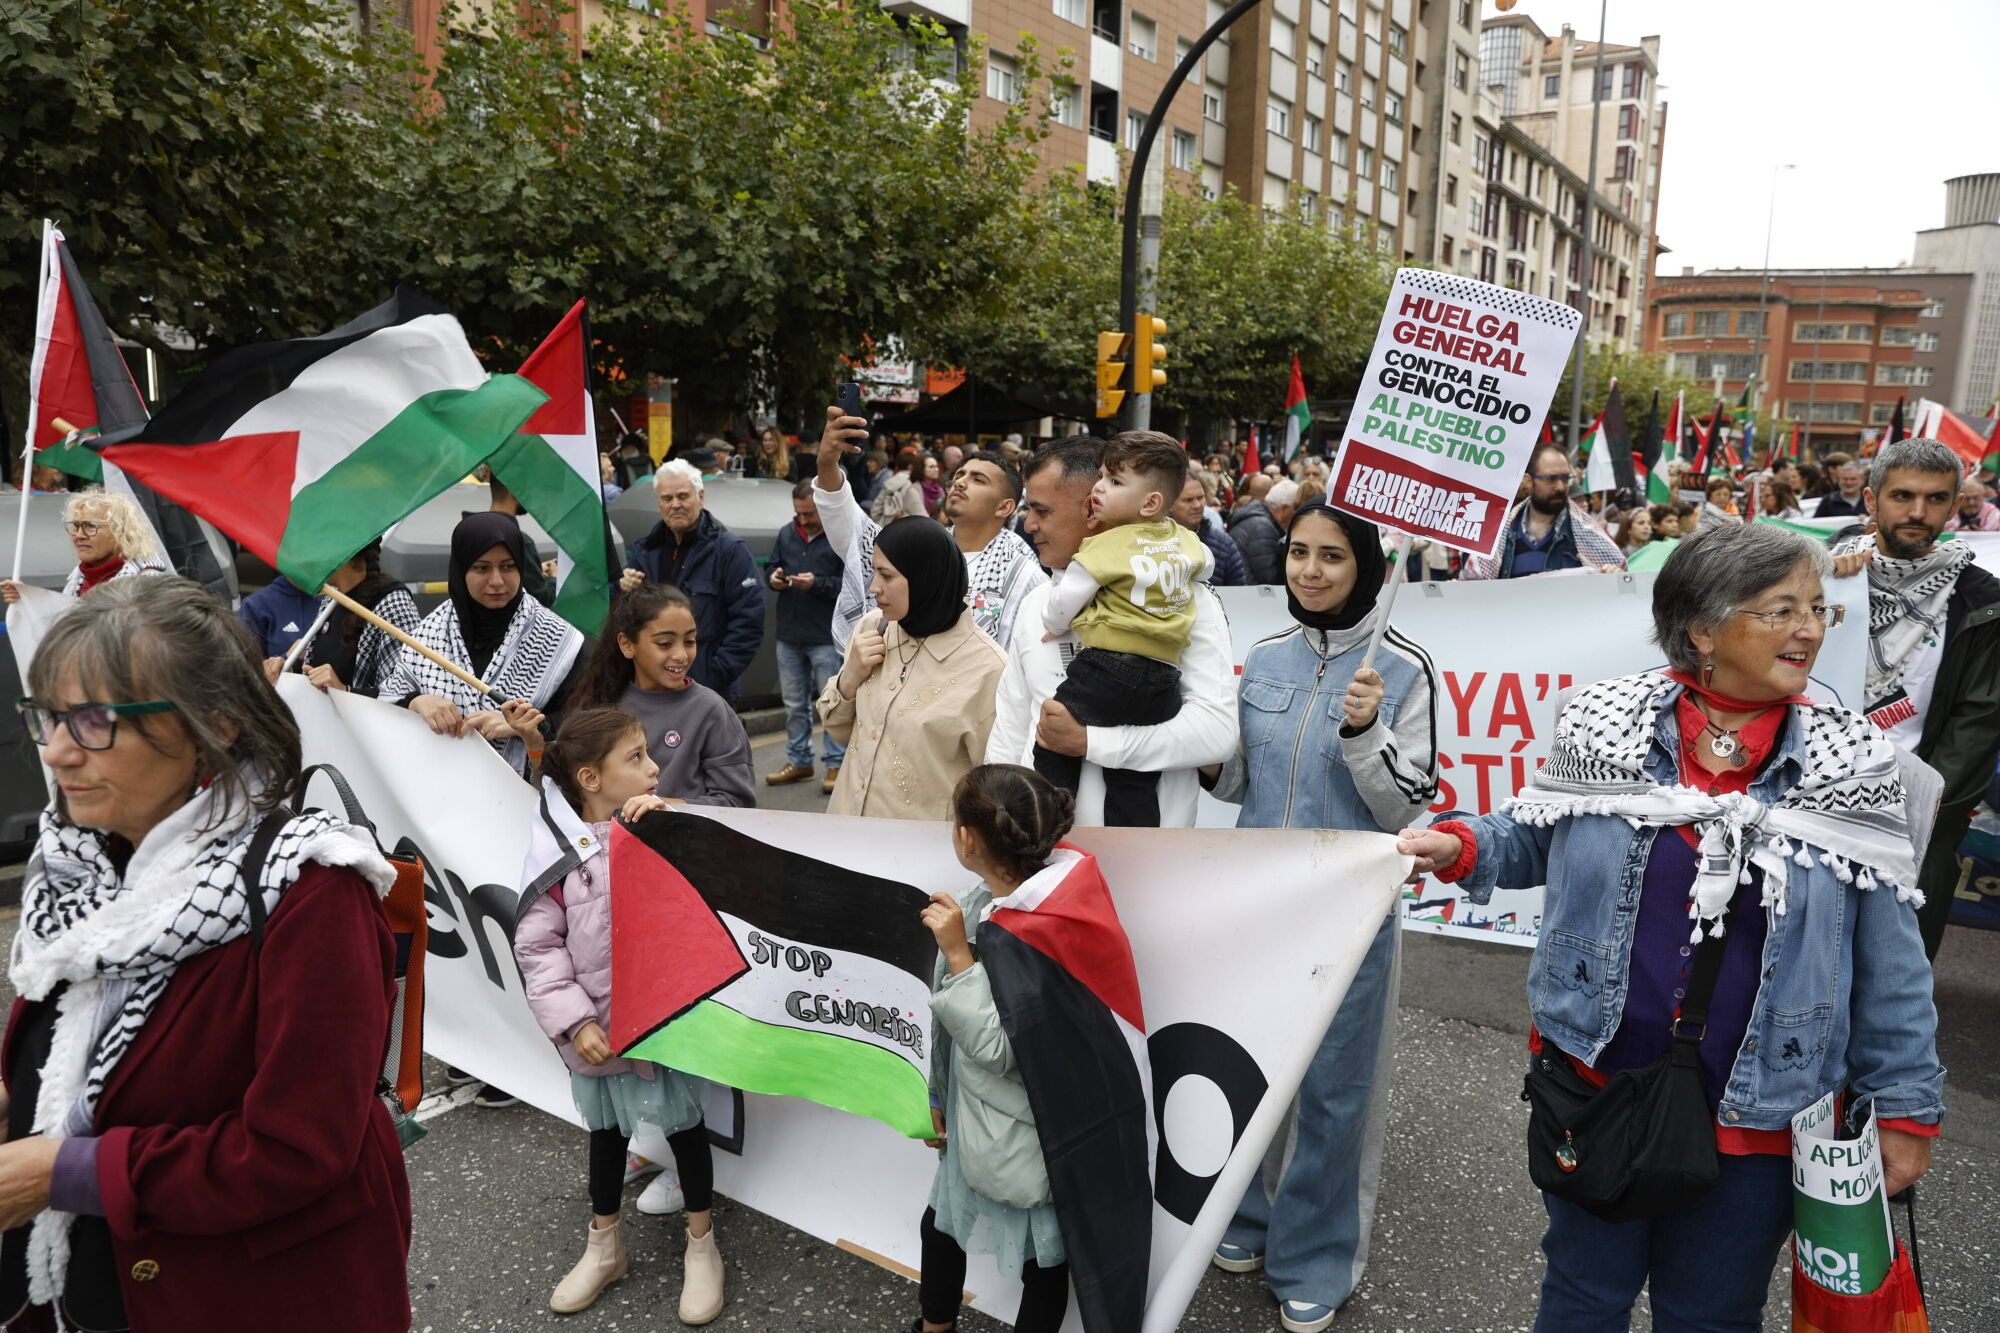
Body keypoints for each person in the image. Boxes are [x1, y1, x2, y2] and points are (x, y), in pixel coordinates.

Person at [1398, 522, 1942, 1332]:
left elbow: (1891, 962)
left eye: (1818, 609)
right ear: (1703, 629)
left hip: (1759, 1115)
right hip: (1595, 1087)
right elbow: (1535, 830)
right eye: (1781, 609)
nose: (1809, 629)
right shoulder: (1602, 724)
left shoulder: (1854, 764)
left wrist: (1904, 1108)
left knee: (1712, 1313)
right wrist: (1461, 842)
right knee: (1583, 1297)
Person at [4, 577, 411, 1331]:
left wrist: (65, 1171)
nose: (58, 751)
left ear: (213, 724)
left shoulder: (310, 889)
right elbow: (72, 1056)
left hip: (254, 1296)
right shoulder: (71, 864)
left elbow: (297, 1147)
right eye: (50, 716)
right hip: (84, 1288)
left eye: (94, 721)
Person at [1203, 504, 1437, 1333]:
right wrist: (1197, 733)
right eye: (1300, 552)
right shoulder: (1264, 657)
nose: (1309, 570)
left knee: (1335, 1091)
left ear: (1366, 565)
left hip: (1350, 910)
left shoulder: (1404, 670)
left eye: (1332, 556)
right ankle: (1246, 1219)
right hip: (1255, 903)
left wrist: (1367, 728)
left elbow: (1407, 805)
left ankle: (1315, 1256)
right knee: (1246, 1069)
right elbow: (1231, 784)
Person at [516, 707, 725, 1322]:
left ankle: (702, 1246)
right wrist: (577, 1021)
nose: (654, 767)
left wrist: (673, 832)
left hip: (666, 1022)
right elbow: (538, 946)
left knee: (687, 1133)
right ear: (589, 778)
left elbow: (703, 907)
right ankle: (604, 1246)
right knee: (605, 1137)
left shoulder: (660, 824)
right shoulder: (554, 851)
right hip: (600, 1031)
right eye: (634, 758)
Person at [911, 765, 1091, 1333]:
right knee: (943, 1229)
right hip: (978, 1116)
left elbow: (998, 1047)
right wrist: (937, 1092)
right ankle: (935, 1327)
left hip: (1022, 1129)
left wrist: (958, 956)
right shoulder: (1046, 904)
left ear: (966, 839)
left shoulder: (1031, 929)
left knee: (1040, 1258)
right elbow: (952, 1035)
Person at [988, 437, 1238, 827]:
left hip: (1146, 866)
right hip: (1042, 862)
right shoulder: (1039, 602)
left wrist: (1091, 743)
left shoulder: (1182, 598)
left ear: (1093, 508)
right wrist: (998, 829)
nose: (1028, 523)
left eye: (1042, 510)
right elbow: (1011, 729)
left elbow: (1216, 734)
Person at [1830, 437, 2000, 958]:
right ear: (1872, 500)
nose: (1917, 513)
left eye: (1935, 499)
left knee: (1890, 979)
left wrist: (1929, 805)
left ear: (1954, 506)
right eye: (1903, 496)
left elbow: (1980, 718)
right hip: (1810, 801)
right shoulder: (1820, 577)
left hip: (1913, 821)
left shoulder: (1982, 600)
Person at [1036, 434, 1211, 827]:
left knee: (1051, 739)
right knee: (1133, 777)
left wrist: (1052, 624)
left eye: (1114, 482)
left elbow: (1065, 601)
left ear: (1150, 502)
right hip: (1164, 678)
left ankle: (1048, 820)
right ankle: (1135, 836)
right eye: (1101, 476)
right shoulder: (1182, 540)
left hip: (1105, 670)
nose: (1098, 487)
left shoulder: (1104, 546)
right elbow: (1208, 564)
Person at [817, 518, 1007, 819]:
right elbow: (838, 732)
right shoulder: (875, 628)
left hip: (920, 853)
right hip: (845, 835)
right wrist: (850, 676)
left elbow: (996, 789)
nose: (873, 588)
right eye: (873, 571)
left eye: (886, 575)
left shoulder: (988, 669)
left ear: (926, 578)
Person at [815, 408, 1047, 652]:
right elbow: (853, 531)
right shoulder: (920, 548)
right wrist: (827, 463)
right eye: (959, 474)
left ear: (1004, 507)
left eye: (978, 479)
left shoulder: (1023, 578)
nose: (960, 482)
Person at [380, 513, 588, 780]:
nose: (497, 581)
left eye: (508, 566)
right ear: (460, 569)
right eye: (481, 568)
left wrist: (524, 726)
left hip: (525, 797)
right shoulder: (429, 634)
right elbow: (387, 698)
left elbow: (586, 718)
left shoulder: (556, 637)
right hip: (434, 794)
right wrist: (417, 702)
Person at [571, 584, 754, 807]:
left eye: (689, 641)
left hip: (685, 840)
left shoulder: (710, 709)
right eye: (665, 644)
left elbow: (737, 802)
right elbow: (573, 789)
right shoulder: (600, 702)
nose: (680, 655)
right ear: (627, 644)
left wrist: (665, 808)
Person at [618, 460, 764, 702]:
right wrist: (623, 588)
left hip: (708, 691)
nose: (675, 505)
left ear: (701, 496)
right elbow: (623, 618)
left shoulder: (729, 550)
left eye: (683, 496)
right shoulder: (645, 551)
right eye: (667, 498)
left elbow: (749, 619)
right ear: (659, 503)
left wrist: (714, 674)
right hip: (653, 689)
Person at [765, 481, 848, 793]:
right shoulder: (787, 532)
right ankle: (799, 760)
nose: (803, 520)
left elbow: (851, 585)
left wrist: (817, 584)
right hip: (789, 631)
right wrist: (773, 577)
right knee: (793, 705)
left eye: (809, 514)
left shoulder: (839, 535)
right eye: (798, 514)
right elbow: (773, 565)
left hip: (825, 634)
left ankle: (836, 764)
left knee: (830, 704)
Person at [1461, 444, 1626, 579]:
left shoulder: (1587, 533)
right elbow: (1474, 587)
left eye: (1565, 478)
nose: (1560, 487)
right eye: (1551, 479)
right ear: (1528, 481)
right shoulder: (1500, 533)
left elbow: (1619, 585)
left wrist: (1614, 576)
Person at [289, 540, 424, 698]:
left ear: (339, 552)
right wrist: (289, 669)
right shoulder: (330, 599)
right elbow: (314, 671)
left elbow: (407, 692)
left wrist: (345, 691)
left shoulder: (393, 604)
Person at [0, 491, 166, 607]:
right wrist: (27, 599)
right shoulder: (78, 578)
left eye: (91, 526)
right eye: (76, 526)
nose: (79, 535)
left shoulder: (147, 584)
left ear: (121, 531)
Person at [482, 474, 557, 605]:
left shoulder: (473, 532)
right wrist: (554, 578)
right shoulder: (520, 541)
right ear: (515, 491)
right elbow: (542, 600)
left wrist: (536, 570)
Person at [1173, 474, 1248, 586]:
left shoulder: (1224, 544)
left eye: (1200, 498)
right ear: (1170, 503)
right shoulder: (1155, 543)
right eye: (1188, 500)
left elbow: (1239, 591)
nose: (1197, 505)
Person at [1228, 478, 1294, 584]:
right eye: (1295, 508)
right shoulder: (1262, 527)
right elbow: (1269, 580)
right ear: (1284, 509)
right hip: (1250, 596)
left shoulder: (1259, 519)